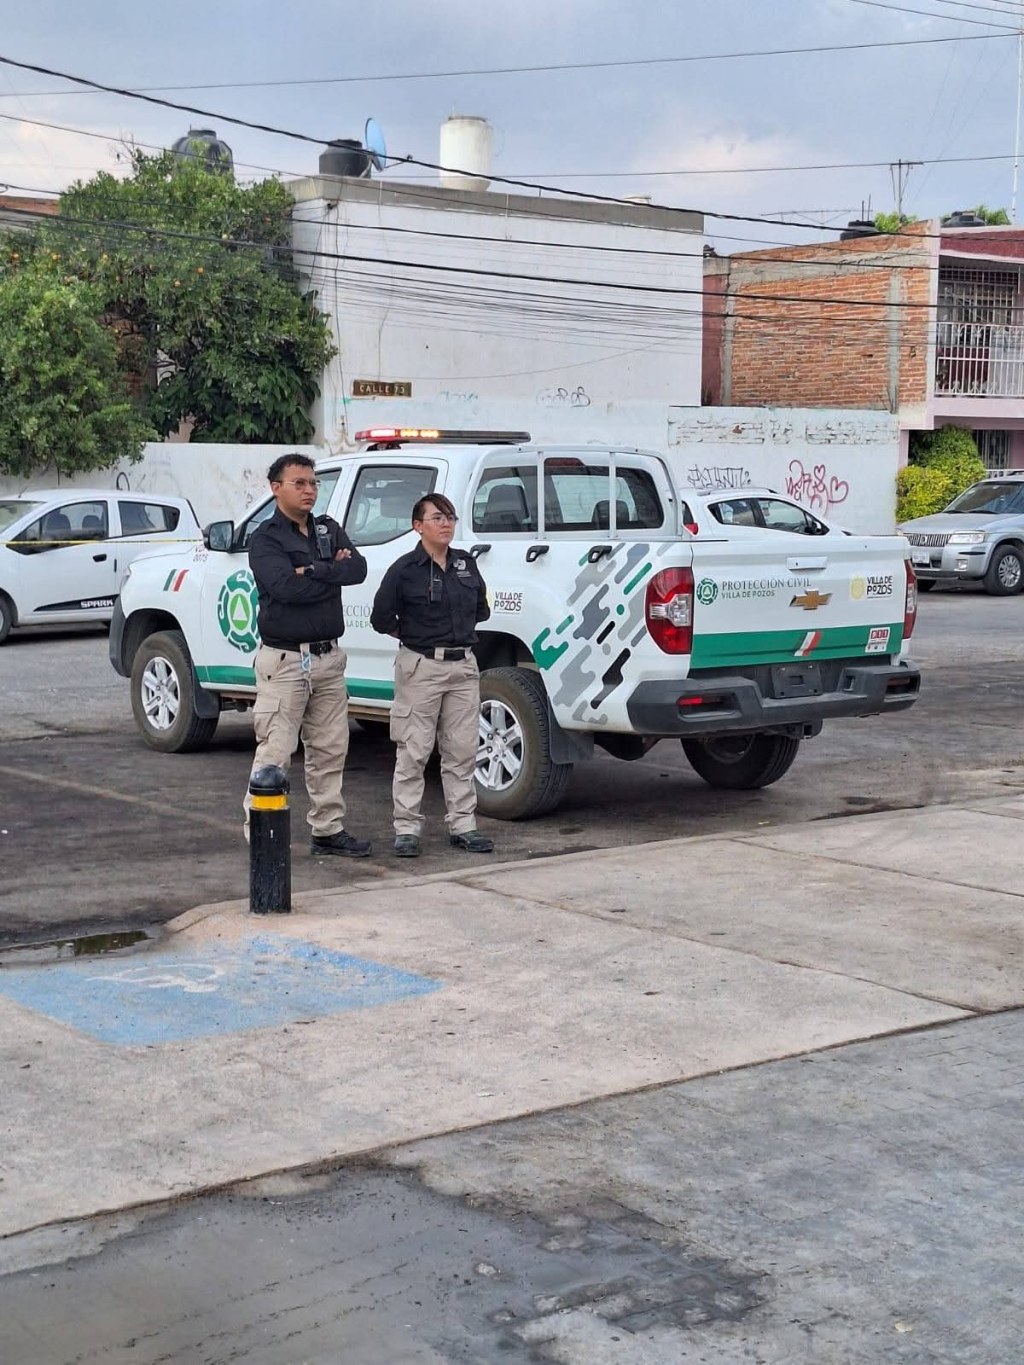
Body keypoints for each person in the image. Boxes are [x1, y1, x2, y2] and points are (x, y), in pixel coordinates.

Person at [246, 453, 372, 857]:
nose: (309, 490)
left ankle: (328, 829)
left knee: (330, 748)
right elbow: (285, 588)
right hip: (285, 662)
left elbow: (358, 571)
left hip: (328, 661)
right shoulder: (265, 538)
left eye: (313, 483)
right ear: (275, 488)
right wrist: (327, 572)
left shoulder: (327, 529)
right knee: (275, 751)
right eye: (299, 483)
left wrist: (312, 571)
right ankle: (261, 834)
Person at [370, 493, 494, 858]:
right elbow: (381, 618)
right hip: (421, 666)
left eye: (450, 517)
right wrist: (414, 637)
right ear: (417, 525)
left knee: (462, 749)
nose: (446, 524)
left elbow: (481, 610)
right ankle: (406, 828)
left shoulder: (465, 565)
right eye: (437, 517)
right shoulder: (404, 570)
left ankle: (463, 824)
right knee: (414, 749)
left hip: (463, 667)